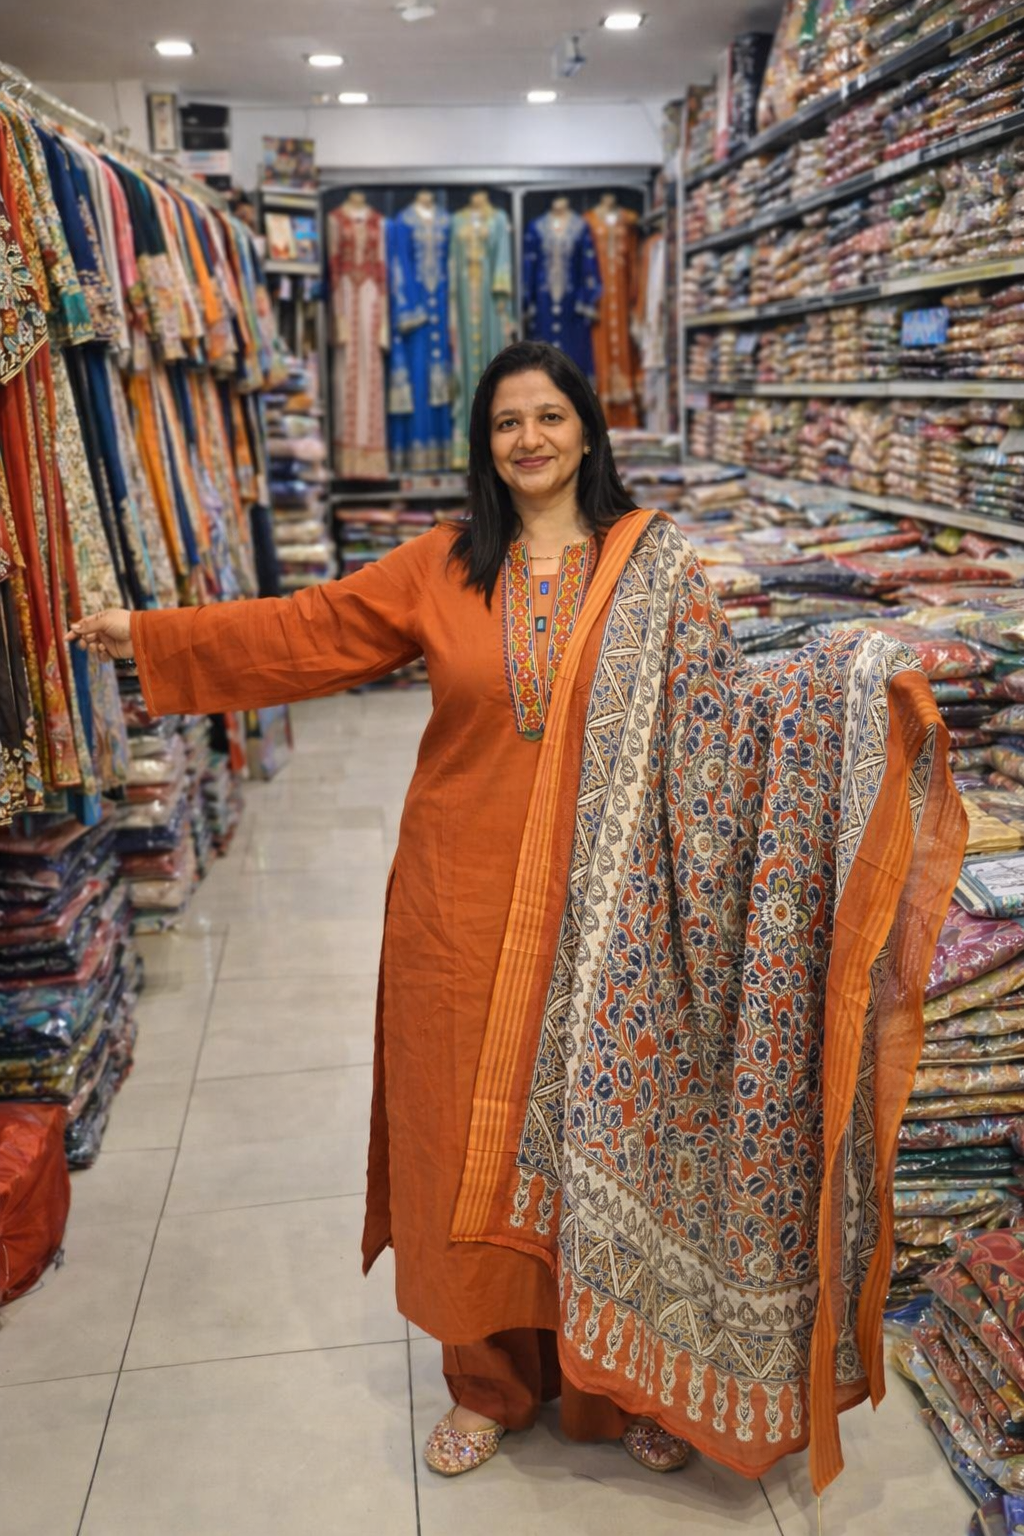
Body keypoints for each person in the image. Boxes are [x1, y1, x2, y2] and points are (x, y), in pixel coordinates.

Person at [70, 341, 966, 1494]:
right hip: (456, 901)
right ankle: (485, 1384)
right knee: (460, 1143)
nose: (529, 439)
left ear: (587, 431)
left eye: (548, 417)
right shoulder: (443, 566)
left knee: (619, 1131)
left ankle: (618, 1383)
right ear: (483, 445)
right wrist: (149, 638)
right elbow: (306, 632)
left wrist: (854, 679)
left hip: (619, 922)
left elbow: (729, 716)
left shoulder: (654, 567)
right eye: (506, 423)